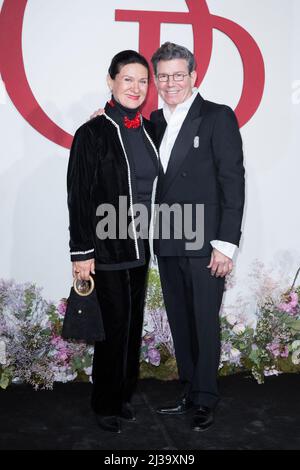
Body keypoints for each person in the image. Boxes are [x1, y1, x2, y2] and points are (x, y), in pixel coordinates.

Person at [150, 42, 245, 432]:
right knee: (180, 320)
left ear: (193, 76)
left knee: (205, 320)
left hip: (206, 242)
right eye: (163, 76)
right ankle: (190, 388)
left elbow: (232, 182)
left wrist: (225, 243)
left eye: (178, 74)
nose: (170, 82)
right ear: (156, 79)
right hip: (169, 236)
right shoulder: (153, 121)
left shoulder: (217, 116)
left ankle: (206, 397)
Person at [67, 50, 158, 433]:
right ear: (111, 81)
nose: (135, 88)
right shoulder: (92, 133)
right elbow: (79, 196)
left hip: (140, 246)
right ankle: (105, 402)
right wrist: (81, 253)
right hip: (106, 249)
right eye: (127, 80)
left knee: (131, 326)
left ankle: (123, 395)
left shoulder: (151, 130)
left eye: (142, 81)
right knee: (113, 328)